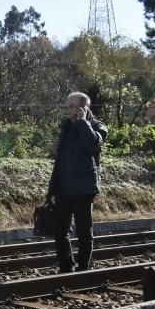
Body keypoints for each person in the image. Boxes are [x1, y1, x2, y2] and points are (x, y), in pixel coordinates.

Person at [45, 91, 109, 272]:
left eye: (74, 107)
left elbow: (93, 144)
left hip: (83, 188)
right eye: (68, 107)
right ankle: (66, 268)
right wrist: (52, 188)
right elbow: (60, 160)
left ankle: (83, 268)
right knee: (60, 231)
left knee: (83, 231)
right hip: (63, 187)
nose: (70, 111)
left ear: (84, 108)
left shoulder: (98, 126)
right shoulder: (66, 127)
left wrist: (82, 122)